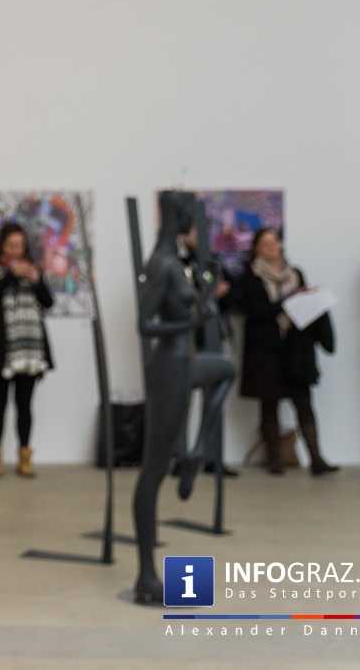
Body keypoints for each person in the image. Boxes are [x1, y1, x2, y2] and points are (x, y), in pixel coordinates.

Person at [130, 191, 234, 606]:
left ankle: (195, 454)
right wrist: (191, 319)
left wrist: (205, 301)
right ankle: (145, 575)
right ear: (180, 220)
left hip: (184, 361)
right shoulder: (163, 264)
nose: (197, 228)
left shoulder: (178, 263)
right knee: (153, 471)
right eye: (193, 219)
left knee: (226, 370)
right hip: (167, 368)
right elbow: (144, 324)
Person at [235, 228, 337, 476]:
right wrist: (288, 301)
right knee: (269, 406)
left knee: (304, 404)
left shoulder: (295, 274)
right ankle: (275, 460)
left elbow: (304, 310)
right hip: (265, 352)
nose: (271, 247)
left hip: (295, 350)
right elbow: (255, 312)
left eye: (274, 242)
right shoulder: (250, 277)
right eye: (265, 243)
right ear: (257, 248)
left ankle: (316, 459)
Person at [0, 222, 54, 478]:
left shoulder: (33, 270)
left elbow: (48, 302)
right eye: (12, 245)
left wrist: (35, 280)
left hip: (30, 353)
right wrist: (10, 275)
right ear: (2, 246)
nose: (17, 250)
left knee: (25, 406)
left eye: (21, 245)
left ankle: (25, 457)